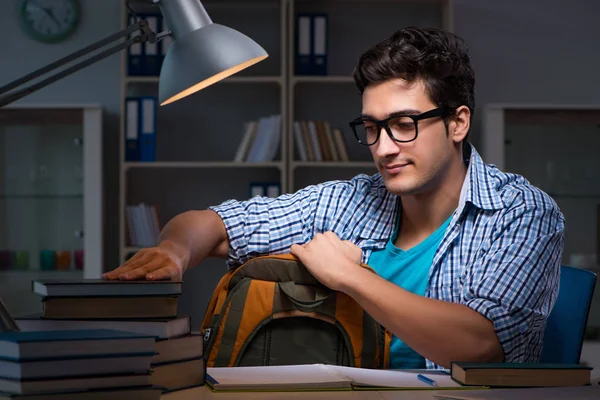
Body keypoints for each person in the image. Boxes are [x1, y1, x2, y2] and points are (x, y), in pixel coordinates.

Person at [104, 26, 565, 369]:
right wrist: (173, 251)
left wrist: (350, 276)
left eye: (405, 125)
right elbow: (215, 224)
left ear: (458, 123)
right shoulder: (346, 201)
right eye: (371, 127)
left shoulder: (522, 211)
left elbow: (480, 345)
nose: (384, 148)